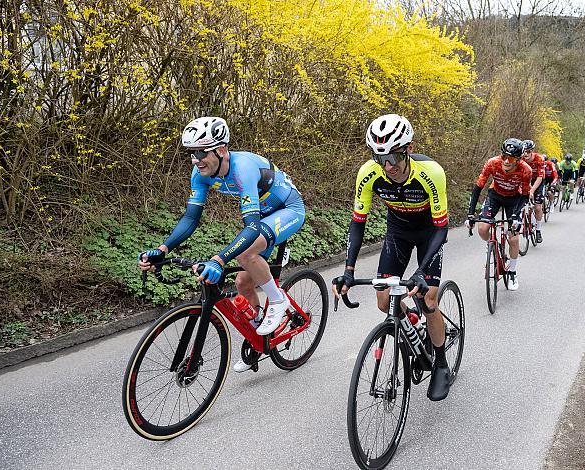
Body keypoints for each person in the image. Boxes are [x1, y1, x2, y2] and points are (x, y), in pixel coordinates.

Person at [138, 117, 306, 373]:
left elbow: (251, 226)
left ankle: (278, 299)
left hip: (288, 209)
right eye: (192, 153)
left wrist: (218, 259)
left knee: (246, 255)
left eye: (201, 153)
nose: (196, 159)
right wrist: (163, 249)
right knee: (242, 283)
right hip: (264, 216)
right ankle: (260, 337)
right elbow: (191, 217)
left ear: (222, 150)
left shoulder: (243, 169)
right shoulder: (200, 174)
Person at [332, 114, 451, 401]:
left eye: (394, 157)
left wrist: (422, 271)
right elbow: (358, 222)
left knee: (428, 299)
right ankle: (410, 321)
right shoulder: (369, 173)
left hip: (428, 232)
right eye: (379, 158)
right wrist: (349, 269)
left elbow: (441, 227)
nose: (388, 167)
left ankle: (441, 364)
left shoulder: (431, 172)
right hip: (397, 231)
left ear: (408, 149)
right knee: (385, 299)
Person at [466, 138, 532, 291]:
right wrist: (470, 214)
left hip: (515, 199)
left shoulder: (525, 170)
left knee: (514, 238)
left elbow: (525, 195)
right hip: (494, 196)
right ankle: (493, 246)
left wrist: (516, 216)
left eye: (512, 158)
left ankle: (513, 271)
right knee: (482, 229)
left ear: (519, 159)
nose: (507, 161)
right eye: (504, 157)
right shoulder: (492, 163)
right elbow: (477, 188)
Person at [521, 140, 546, 243]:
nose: (525, 154)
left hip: (538, 181)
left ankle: (538, 230)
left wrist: (532, 190)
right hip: (526, 179)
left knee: (538, 207)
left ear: (532, 151)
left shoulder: (539, 158)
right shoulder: (520, 158)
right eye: (524, 151)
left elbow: (540, 177)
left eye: (528, 151)